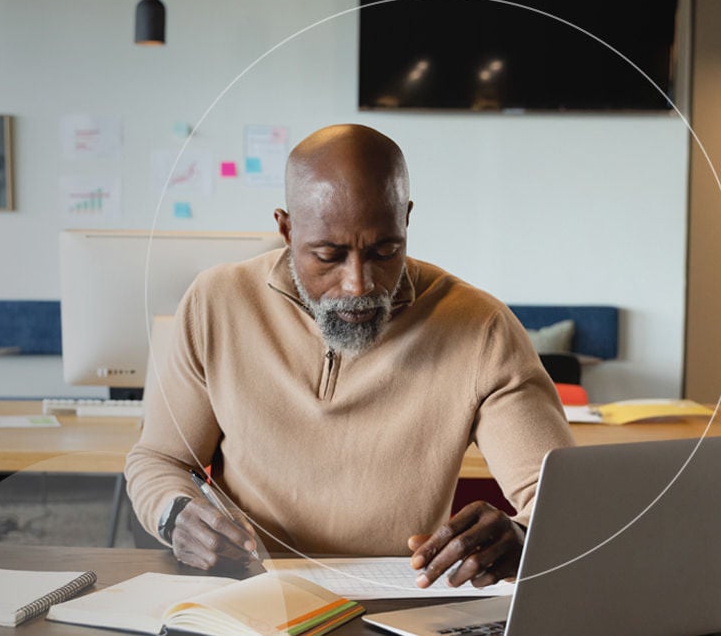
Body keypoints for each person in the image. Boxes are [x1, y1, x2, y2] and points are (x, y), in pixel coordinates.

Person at [125, 124, 574, 591]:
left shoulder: (481, 328)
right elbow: (160, 459)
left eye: (384, 251)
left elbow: (562, 499)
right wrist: (176, 515)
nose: (359, 285)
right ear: (285, 228)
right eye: (328, 255)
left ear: (406, 221)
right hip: (250, 594)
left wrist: (522, 535)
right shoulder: (216, 301)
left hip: (403, 599)